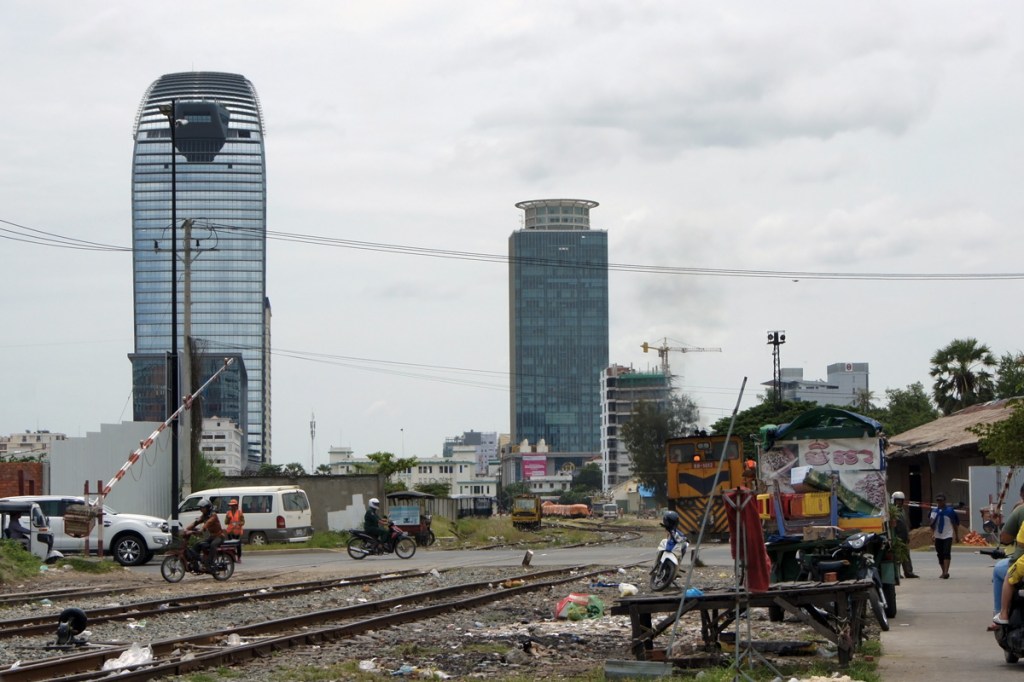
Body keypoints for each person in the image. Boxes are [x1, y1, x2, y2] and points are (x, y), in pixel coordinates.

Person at [987, 483, 1024, 628]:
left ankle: (1002, 614)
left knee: (1002, 572)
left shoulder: (1019, 511)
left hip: (1020, 561)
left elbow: (1006, 538)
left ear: (1021, 495)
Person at [186, 498, 225, 572]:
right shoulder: (204, 516)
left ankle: (209, 564)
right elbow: (195, 523)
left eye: (202, 508)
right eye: (200, 508)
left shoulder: (213, 515)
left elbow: (208, 523)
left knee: (213, 545)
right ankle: (196, 563)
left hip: (219, 536)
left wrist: (202, 529)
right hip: (211, 537)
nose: (201, 509)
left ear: (207, 507)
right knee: (198, 544)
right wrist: (186, 529)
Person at [929, 493, 960, 579]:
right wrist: (932, 534)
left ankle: (946, 572)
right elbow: (931, 524)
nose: (939, 502)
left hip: (947, 535)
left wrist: (956, 535)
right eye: (938, 501)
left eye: (941, 500)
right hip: (938, 535)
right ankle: (943, 571)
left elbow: (955, 524)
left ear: (944, 501)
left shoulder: (950, 511)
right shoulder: (934, 511)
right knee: (940, 554)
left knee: (946, 552)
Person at [890, 492, 918, 578]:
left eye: (901, 500)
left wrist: (907, 535)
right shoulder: (892, 512)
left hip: (904, 536)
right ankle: (897, 573)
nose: (899, 502)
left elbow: (905, 524)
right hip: (896, 537)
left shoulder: (902, 510)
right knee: (897, 556)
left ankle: (908, 572)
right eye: (897, 500)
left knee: (906, 555)